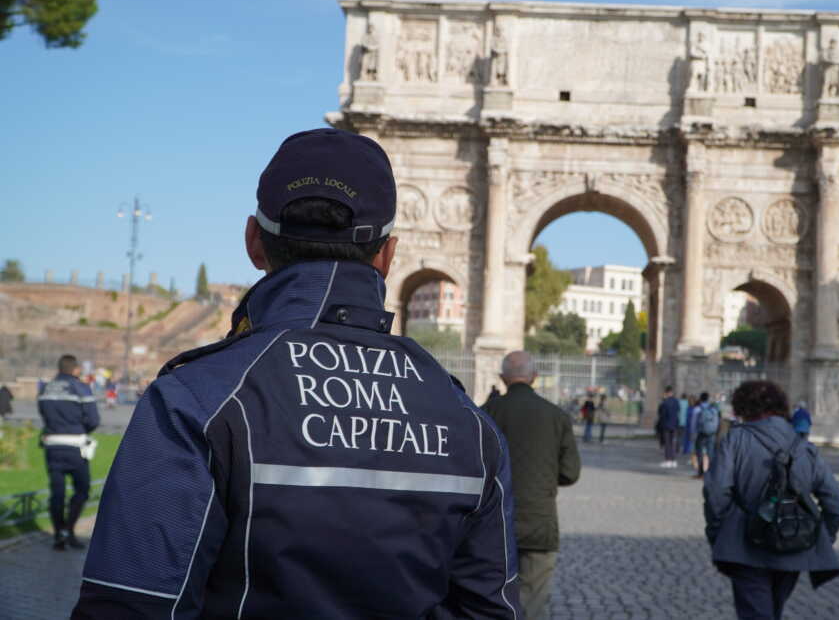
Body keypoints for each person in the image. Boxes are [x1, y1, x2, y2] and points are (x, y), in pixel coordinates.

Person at [73, 129, 521, 618]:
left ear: (253, 242)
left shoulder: (194, 398)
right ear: (388, 255)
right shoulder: (469, 424)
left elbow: (131, 605)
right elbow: (491, 610)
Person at [704, 380, 839, 620]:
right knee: (772, 611)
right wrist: (821, 535)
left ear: (743, 408)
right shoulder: (805, 447)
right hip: (793, 543)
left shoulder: (734, 441)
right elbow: (834, 500)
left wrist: (719, 533)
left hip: (744, 543)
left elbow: (716, 493)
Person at [483, 351, 581, 620]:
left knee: (491, 599)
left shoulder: (486, 413)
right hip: (539, 522)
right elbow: (571, 473)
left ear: (503, 378)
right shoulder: (557, 416)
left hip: (493, 524)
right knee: (534, 600)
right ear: (535, 377)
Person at [38, 354, 100, 550]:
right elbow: (93, 420)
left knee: (57, 492)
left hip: (52, 446)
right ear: (75, 370)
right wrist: (80, 430)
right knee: (82, 490)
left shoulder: (46, 388)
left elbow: (43, 412)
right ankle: (69, 529)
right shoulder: (80, 387)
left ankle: (58, 534)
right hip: (75, 446)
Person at [693, 392, 720, 480]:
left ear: (700, 398)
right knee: (711, 453)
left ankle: (701, 473)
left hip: (701, 433)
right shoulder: (714, 409)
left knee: (699, 452)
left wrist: (692, 434)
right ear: (708, 399)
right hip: (712, 433)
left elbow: (693, 423)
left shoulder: (698, 408)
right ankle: (711, 473)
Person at [656, 385, 680, 468]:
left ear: (666, 393)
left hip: (666, 425)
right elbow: (678, 411)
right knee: (673, 443)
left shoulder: (664, 402)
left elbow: (661, 414)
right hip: (675, 424)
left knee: (667, 444)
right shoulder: (676, 401)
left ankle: (668, 460)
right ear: (672, 392)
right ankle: (674, 460)